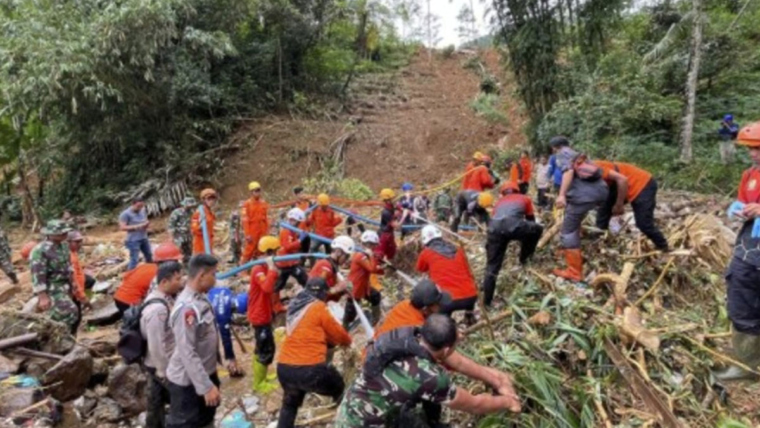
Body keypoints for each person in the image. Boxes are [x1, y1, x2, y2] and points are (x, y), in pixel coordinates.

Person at [335, 314, 521, 427]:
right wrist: (508, 402)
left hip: (357, 403)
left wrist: (497, 379)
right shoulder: (428, 377)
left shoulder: (412, 335)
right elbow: (474, 405)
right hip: (362, 422)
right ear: (447, 349)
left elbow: (460, 363)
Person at [714, 122, 760, 381]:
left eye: (758, 148)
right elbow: (742, 202)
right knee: (742, 300)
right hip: (750, 247)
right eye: (751, 149)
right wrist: (738, 209)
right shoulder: (750, 175)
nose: (754, 154)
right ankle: (747, 365)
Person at [276, 277, 352, 428]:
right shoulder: (318, 307)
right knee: (339, 388)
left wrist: (338, 293)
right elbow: (336, 333)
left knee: (290, 404)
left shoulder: (295, 305)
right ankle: (344, 421)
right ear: (323, 294)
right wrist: (348, 342)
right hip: (309, 370)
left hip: (284, 368)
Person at [166, 254, 221, 428]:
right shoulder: (187, 309)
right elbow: (186, 351)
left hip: (204, 373)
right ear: (202, 276)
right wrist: (205, 386)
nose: (215, 279)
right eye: (213, 274)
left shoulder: (201, 298)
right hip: (189, 382)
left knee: (205, 420)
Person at [551, 136, 608, 282]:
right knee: (576, 221)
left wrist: (562, 195)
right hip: (601, 192)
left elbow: (568, 172)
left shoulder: (562, 154)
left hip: (583, 197)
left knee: (568, 230)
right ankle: (571, 250)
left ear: (554, 147)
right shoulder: (580, 155)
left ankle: (574, 272)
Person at [482, 181, 544, 307]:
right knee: (537, 229)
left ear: (503, 193)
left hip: (494, 229)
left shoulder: (499, 203)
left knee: (492, 267)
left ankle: (486, 302)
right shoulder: (524, 198)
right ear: (517, 190)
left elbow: (495, 220)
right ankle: (524, 259)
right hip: (514, 226)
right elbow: (530, 220)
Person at [140, 261, 184, 428]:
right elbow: (156, 343)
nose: (180, 283)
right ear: (164, 282)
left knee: (156, 402)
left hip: (159, 364)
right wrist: (163, 371)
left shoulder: (165, 298)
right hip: (160, 365)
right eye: (177, 279)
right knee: (177, 403)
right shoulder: (157, 309)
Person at [594, 160, 669, 251]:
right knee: (603, 213)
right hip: (618, 185)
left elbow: (622, 180)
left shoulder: (593, 169)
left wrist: (619, 204)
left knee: (644, 223)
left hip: (642, 183)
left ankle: (663, 246)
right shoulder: (580, 174)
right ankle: (598, 244)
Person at [416, 226, 478, 319]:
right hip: (471, 296)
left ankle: (448, 324)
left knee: (440, 317)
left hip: (448, 302)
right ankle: (469, 316)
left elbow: (420, 269)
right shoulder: (459, 249)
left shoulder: (426, 253)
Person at [247, 236, 283, 394]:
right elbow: (268, 288)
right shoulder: (258, 270)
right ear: (269, 252)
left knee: (265, 346)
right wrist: (273, 270)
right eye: (275, 251)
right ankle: (258, 383)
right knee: (265, 348)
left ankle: (263, 375)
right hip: (259, 315)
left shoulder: (263, 267)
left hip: (265, 313)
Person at [30, 220, 77, 334]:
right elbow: (37, 273)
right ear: (50, 234)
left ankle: (63, 337)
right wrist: (42, 296)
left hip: (65, 285)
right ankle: (56, 336)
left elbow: (68, 264)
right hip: (52, 287)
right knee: (69, 312)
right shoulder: (40, 250)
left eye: (65, 232)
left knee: (61, 314)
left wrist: (73, 281)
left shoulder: (63, 246)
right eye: (61, 233)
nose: (64, 235)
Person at [114, 242, 183, 316]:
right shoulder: (160, 274)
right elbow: (159, 294)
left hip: (118, 297)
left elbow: (126, 276)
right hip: (130, 302)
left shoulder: (145, 266)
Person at [374, 279, 450, 339]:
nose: (440, 306)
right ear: (425, 309)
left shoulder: (405, 304)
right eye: (437, 304)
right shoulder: (418, 328)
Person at [343, 231, 385, 329]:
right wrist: (372, 257)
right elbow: (372, 269)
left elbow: (373, 268)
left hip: (364, 286)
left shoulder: (365, 256)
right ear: (368, 245)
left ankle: (375, 319)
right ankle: (344, 328)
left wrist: (381, 267)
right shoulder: (360, 256)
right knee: (350, 313)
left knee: (375, 296)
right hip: (355, 288)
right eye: (374, 246)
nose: (375, 248)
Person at [453, 152, 494, 232]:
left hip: (467, 190)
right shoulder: (482, 168)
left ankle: (466, 229)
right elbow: (486, 181)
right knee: (473, 213)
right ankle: (471, 230)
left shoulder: (472, 167)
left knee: (472, 213)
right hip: (472, 192)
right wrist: (492, 183)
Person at [275, 208, 309, 291]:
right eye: (299, 222)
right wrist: (299, 240)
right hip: (286, 262)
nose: (299, 225)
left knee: (281, 282)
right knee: (302, 278)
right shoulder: (286, 231)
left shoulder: (291, 231)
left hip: (289, 261)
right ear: (295, 221)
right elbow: (288, 247)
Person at [68, 231, 93, 332]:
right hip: (74, 291)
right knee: (76, 318)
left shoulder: (73, 253)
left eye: (80, 241)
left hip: (78, 286)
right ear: (68, 242)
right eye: (77, 242)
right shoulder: (69, 256)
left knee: (91, 281)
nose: (79, 244)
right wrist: (83, 297)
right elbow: (73, 280)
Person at [119, 198, 152, 270]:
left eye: (141, 206)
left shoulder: (142, 211)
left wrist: (146, 225)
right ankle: (130, 275)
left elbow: (145, 220)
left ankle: (150, 271)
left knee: (149, 255)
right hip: (133, 240)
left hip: (144, 237)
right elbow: (122, 227)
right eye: (138, 206)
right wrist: (138, 226)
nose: (140, 208)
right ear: (133, 204)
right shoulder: (125, 214)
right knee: (134, 259)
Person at [241, 182, 270, 262]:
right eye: (256, 191)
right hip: (252, 230)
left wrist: (267, 230)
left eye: (259, 190)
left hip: (262, 229)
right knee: (249, 250)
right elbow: (245, 220)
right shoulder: (247, 204)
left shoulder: (263, 203)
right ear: (251, 192)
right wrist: (247, 234)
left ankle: (257, 268)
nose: (258, 193)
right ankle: (242, 268)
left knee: (262, 249)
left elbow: (266, 217)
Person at [168, 197, 196, 264]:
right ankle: (175, 266)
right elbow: (171, 225)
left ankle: (187, 265)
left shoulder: (191, 212)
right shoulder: (176, 212)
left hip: (188, 235)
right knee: (177, 252)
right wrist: (171, 237)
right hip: (178, 235)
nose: (190, 207)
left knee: (188, 252)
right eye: (189, 205)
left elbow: (193, 222)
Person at [191, 189, 218, 255]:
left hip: (209, 242)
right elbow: (194, 228)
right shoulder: (200, 212)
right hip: (200, 243)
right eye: (209, 199)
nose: (211, 201)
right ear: (204, 200)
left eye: (212, 199)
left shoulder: (209, 212)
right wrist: (200, 228)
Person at [376, 189, 399, 263]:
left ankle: (391, 268)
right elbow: (395, 225)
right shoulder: (386, 212)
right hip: (384, 236)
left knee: (392, 252)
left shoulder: (391, 207)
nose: (395, 199)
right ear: (387, 200)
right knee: (379, 255)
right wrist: (403, 216)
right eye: (393, 198)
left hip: (390, 234)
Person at [292, 187, 313, 254]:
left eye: (303, 193)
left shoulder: (308, 203)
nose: (303, 195)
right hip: (298, 230)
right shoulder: (294, 204)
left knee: (306, 248)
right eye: (300, 193)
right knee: (298, 248)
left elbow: (312, 215)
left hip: (307, 229)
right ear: (296, 195)